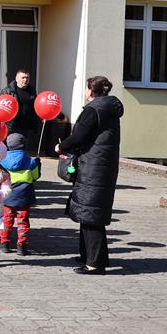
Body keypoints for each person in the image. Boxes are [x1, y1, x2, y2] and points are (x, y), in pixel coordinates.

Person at [57, 75, 124, 275]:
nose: (85, 92)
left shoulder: (94, 110)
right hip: (102, 167)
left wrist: (61, 146)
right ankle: (90, 256)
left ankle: (94, 264)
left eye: (86, 88)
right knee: (90, 213)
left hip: (93, 168)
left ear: (92, 91)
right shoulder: (107, 108)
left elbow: (79, 136)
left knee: (91, 215)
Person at [0, 133, 41, 256]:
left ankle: (4, 243)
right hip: (24, 196)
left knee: (7, 219)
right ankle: (21, 246)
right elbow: (35, 176)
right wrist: (38, 164)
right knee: (23, 221)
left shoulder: (3, 161)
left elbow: (0, 178)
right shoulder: (30, 161)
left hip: (8, 195)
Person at [1, 70, 40, 151]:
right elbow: (1, 108)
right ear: (16, 78)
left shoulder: (32, 91)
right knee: (9, 148)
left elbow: (35, 107)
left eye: (27, 78)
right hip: (11, 126)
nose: (25, 80)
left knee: (21, 149)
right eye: (23, 78)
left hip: (25, 127)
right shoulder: (7, 91)